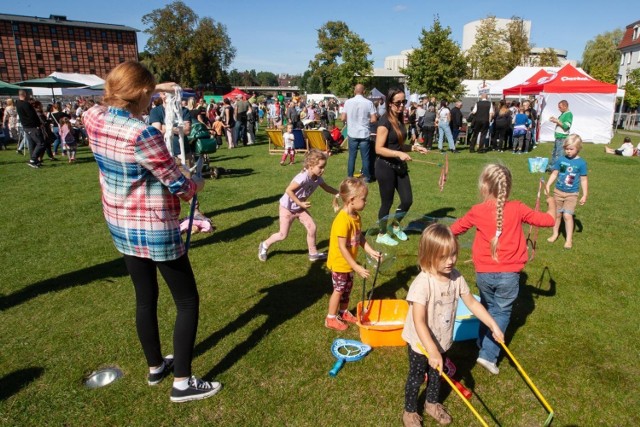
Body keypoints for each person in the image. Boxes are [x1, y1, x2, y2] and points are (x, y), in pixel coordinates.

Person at [83, 61, 220, 403]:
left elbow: (125, 101)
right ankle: (183, 383)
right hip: (152, 227)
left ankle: (156, 366)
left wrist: (158, 88)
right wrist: (196, 181)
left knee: (145, 297)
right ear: (142, 94)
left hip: (120, 222)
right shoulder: (142, 133)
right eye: (150, 94)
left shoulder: (93, 116)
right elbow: (182, 187)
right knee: (187, 301)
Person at [450, 164, 556, 374]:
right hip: (508, 275)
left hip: (484, 273)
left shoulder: (477, 211)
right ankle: (488, 355)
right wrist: (551, 202)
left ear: (484, 186)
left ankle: (483, 345)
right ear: (507, 188)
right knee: (501, 311)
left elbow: (453, 230)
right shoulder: (517, 208)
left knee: (488, 307)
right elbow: (549, 220)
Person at [401, 224, 504, 427]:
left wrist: (493, 324)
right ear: (429, 255)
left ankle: (431, 403)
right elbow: (418, 320)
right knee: (416, 377)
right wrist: (431, 350)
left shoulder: (456, 278)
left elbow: (472, 303)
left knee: (437, 374)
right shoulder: (423, 284)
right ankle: (410, 411)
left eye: (453, 255)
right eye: (443, 257)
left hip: (442, 340)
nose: (450, 261)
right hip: (421, 344)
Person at [258, 149, 338, 262]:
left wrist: (338, 193)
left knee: (312, 227)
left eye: (324, 166)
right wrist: (300, 203)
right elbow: (289, 190)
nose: (323, 170)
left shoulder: (318, 178)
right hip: (287, 208)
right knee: (283, 235)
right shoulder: (302, 177)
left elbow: (326, 187)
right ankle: (264, 245)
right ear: (310, 166)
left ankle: (313, 253)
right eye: (320, 167)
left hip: (299, 208)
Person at [374, 88, 429, 247]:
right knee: (387, 203)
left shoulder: (399, 120)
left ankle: (395, 225)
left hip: (399, 166)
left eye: (404, 102)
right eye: (398, 103)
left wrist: (413, 148)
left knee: (407, 200)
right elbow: (379, 148)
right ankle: (382, 234)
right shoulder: (384, 121)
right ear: (390, 104)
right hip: (385, 167)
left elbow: (397, 145)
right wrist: (398, 154)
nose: (401, 106)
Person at [325, 177, 381, 331]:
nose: (366, 202)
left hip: (349, 264)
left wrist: (371, 251)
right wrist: (355, 266)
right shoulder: (342, 221)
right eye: (363, 199)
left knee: (347, 289)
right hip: (340, 263)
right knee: (339, 290)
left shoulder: (355, 216)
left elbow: (359, 236)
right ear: (351, 200)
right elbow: (342, 247)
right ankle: (330, 318)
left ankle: (343, 312)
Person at [546, 134, 588, 250]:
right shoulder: (561, 160)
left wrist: (584, 194)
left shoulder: (581, 163)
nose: (568, 151)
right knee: (557, 214)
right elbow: (555, 173)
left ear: (578, 148)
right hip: (558, 192)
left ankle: (569, 239)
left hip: (572, 194)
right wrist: (548, 185)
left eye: (571, 149)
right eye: (566, 149)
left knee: (567, 215)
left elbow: (583, 179)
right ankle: (555, 234)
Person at [342, 83, 377, 182]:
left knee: (352, 156)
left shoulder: (348, 102)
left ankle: (349, 176)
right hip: (364, 133)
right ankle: (366, 177)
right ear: (364, 91)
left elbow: (343, 117)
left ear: (354, 91)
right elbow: (374, 119)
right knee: (365, 157)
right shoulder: (369, 103)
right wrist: (366, 121)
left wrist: (351, 121)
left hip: (352, 133)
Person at [16, 90, 47, 168]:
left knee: (32, 144)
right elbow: (32, 116)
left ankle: (34, 160)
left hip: (26, 126)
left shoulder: (17, 103)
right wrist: (39, 124)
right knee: (41, 143)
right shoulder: (26, 104)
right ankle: (33, 160)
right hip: (32, 126)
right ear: (25, 94)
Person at [548, 100, 572, 169]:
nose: (559, 109)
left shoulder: (568, 114)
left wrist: (557, 121)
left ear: (565, 106)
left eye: (560, 107)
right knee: (554, 153)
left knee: (559, 154)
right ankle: (552, 167)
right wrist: (555, 119)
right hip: (558, 137)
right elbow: (560, 122)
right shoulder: (563, 114)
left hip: (562, 137)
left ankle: (558, 169)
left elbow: (566, 126)